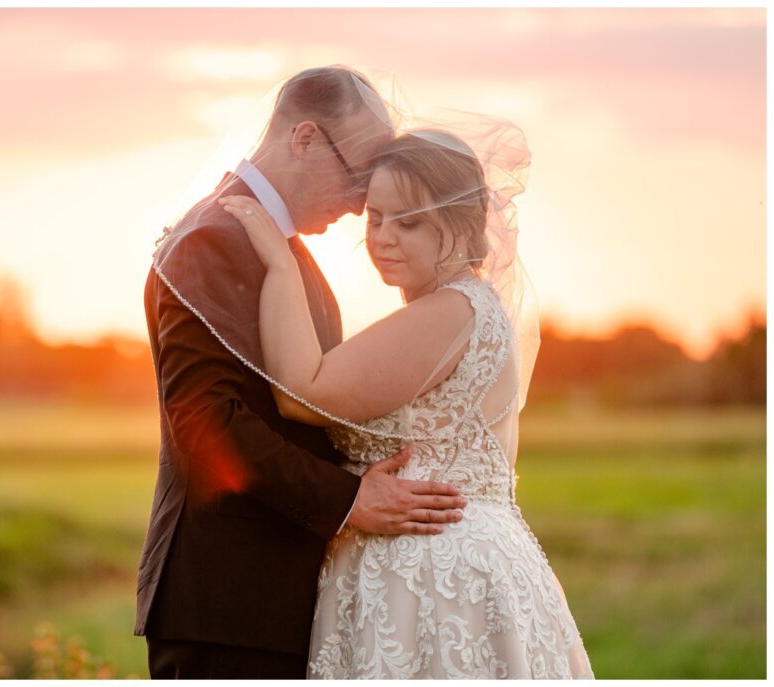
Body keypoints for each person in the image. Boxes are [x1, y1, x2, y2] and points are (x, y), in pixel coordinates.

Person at [219, 127, 594, 678]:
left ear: (462, 226)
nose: (383, 238)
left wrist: (279, 263)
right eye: (376, 217)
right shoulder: (457, 309)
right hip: (424, 563)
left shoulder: (451, 310)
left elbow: (305, 393)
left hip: (436, 576)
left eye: (409, 222)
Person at [136, 67, 469, 679]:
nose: (362, 199)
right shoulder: (211, 239)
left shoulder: (279, 249)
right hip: (227, 603)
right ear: (306, 138)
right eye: (358, 172)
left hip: (269, 600)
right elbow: (204, 422)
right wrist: (350, 501)